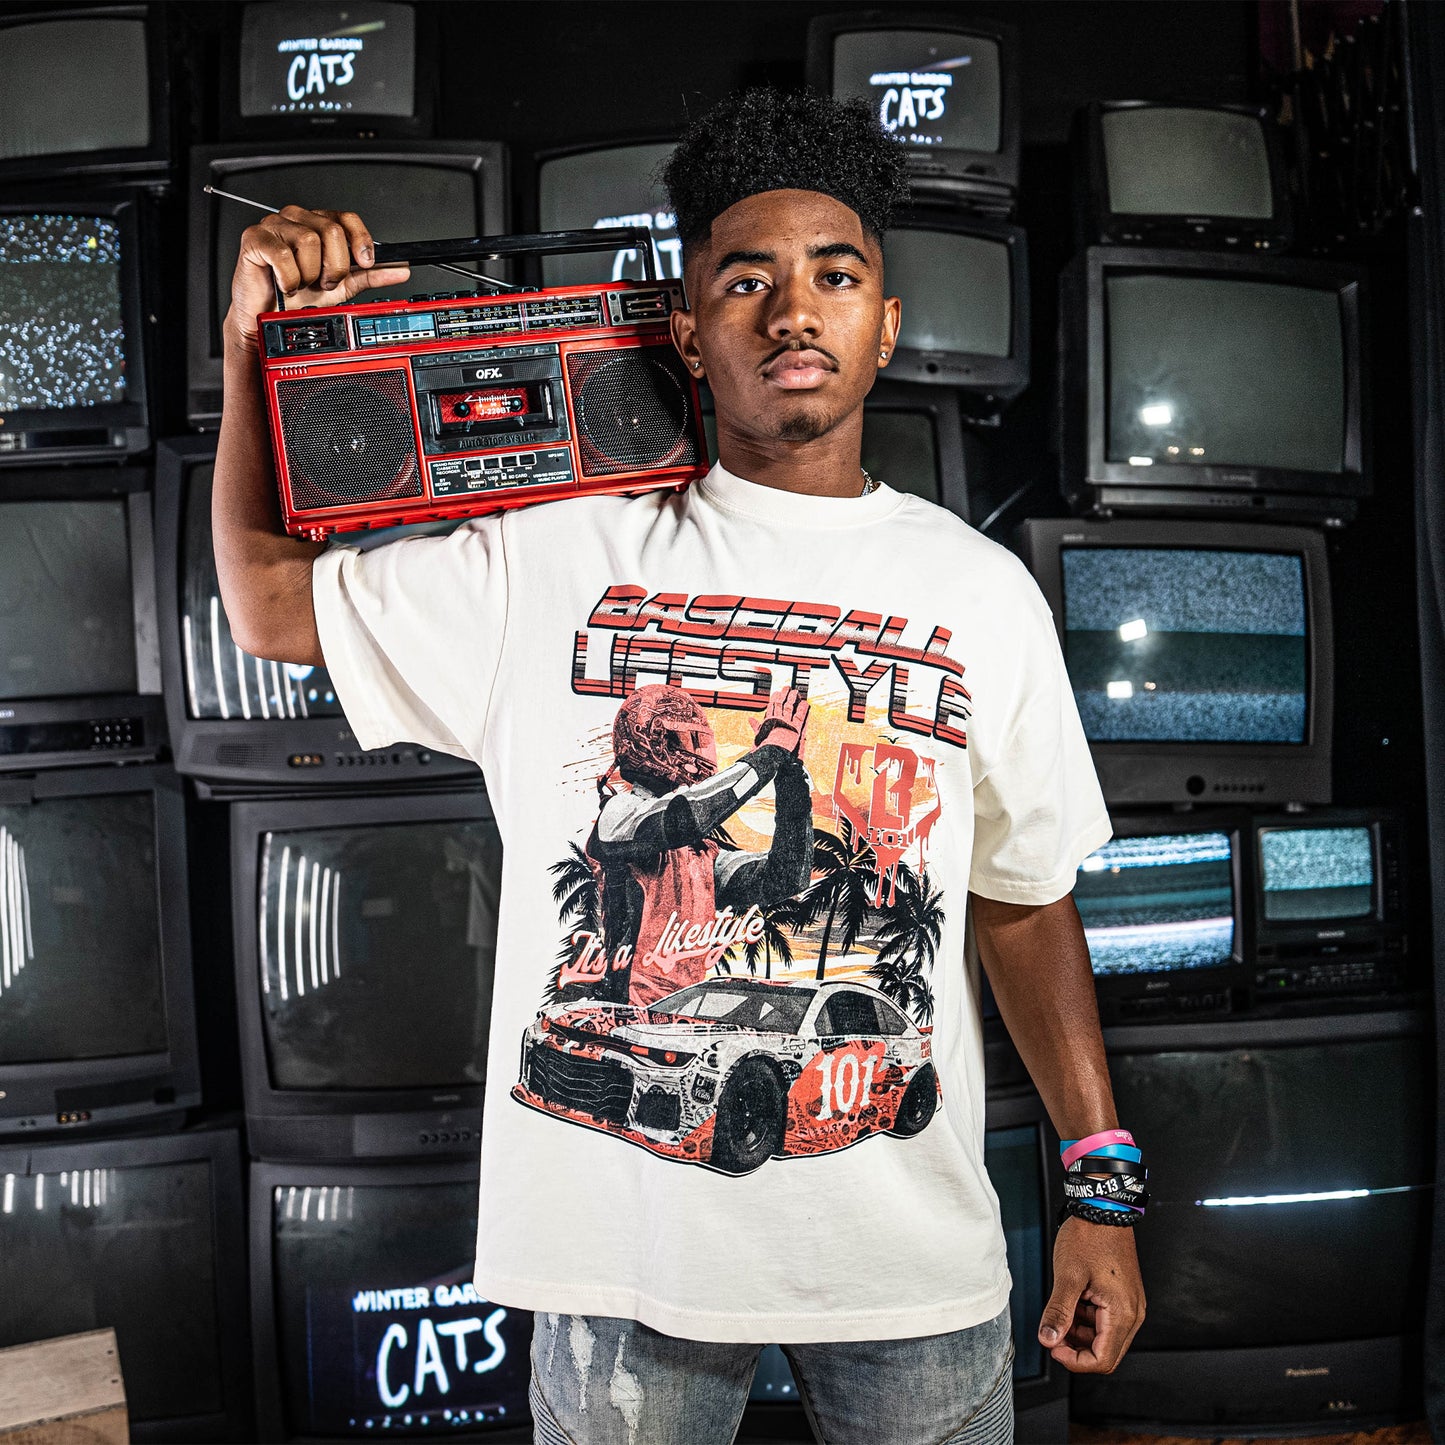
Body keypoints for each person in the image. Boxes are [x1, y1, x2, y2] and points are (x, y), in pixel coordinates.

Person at [215, 86, 1146, 1445]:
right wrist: (251, 345)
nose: (792, 311)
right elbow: (268, 603)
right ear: (685, 329)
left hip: (909, 1259)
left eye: (835, 275)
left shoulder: (983, 592)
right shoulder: (556, 556)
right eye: (746, 279)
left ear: (885, 323)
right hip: (622, 1265)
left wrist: (1101, 1186)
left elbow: (1022, 894)